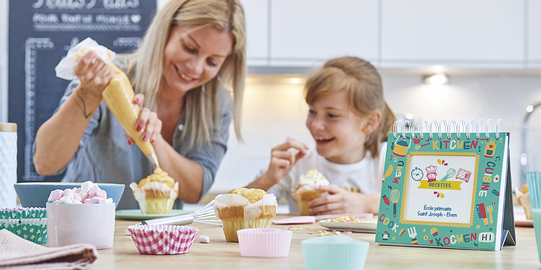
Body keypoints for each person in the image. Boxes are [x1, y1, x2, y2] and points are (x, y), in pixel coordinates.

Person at [33, 0, 247, 210]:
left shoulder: (217, 101)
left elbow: (193, 191)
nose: (195, 67)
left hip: (162, 237)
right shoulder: (106, 77)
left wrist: (154, 140)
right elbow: (45, 163)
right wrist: (88, 92)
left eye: (212, 62)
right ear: (165, 31)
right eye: (189, 47)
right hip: (86, 228)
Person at [246, 56, 396, 215]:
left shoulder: (389, 160)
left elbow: (419, 209)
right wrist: (267, 179)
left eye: (332, 115)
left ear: (369, 122)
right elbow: (226, 213)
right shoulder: (298, 164)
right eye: (312, 111)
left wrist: (366, 203)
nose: (316, 125)